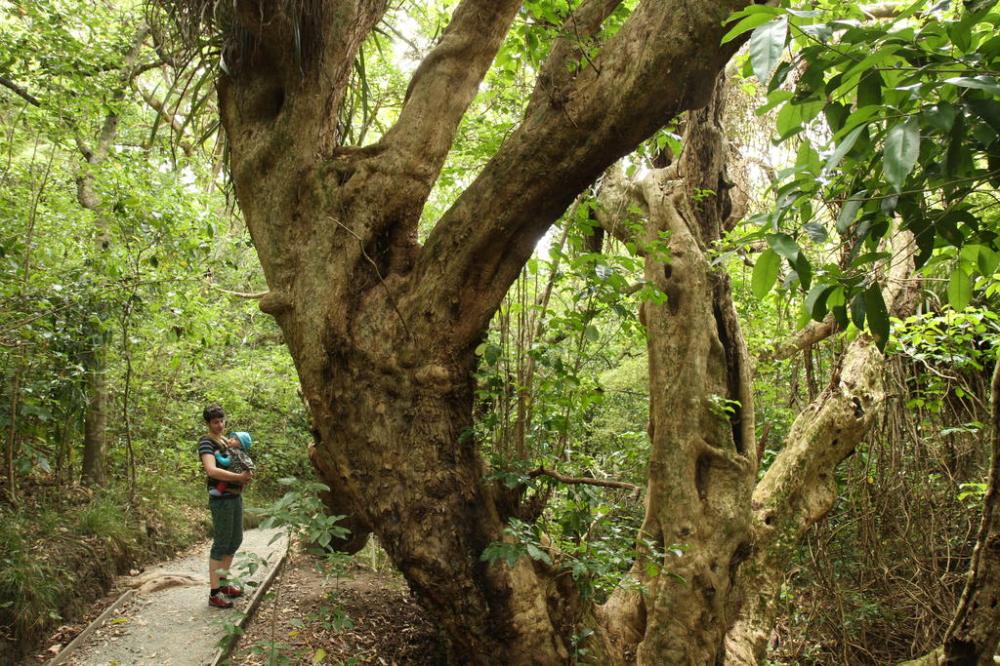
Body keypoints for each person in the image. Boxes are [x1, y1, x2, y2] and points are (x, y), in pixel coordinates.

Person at [198, 404, 253, 609]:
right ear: (208, 423)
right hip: (221, 500)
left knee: (235, 539)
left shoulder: (226, 440)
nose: (219, 425)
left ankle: (223, 583)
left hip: (235, 496)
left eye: (222, 421)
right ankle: (214, 593)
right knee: (221, 543)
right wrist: (239, 477)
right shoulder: (206, 442)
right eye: (215, 422)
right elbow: (211, 471)